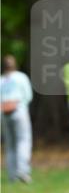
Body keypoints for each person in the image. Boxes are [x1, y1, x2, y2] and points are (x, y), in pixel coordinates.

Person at [1, 55, 33, 184]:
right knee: (23, 140)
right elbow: (28, 96)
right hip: (19, 110)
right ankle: (23, 171)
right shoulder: (21, 77)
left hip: (4, 113)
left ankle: (12, 175)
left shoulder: (1, 80)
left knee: (10, 144)